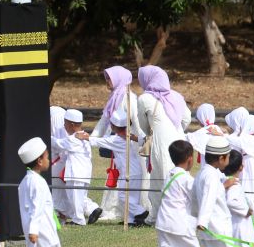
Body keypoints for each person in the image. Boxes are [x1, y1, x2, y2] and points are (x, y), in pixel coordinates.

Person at [137, 65, 191, 225]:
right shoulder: (176, 96)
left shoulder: (144, 98)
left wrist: (153, 131)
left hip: (161, 141)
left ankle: (160, 216)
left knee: (160, 177)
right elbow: (187, 119)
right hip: (180, 138)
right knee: (180, 175)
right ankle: (180, 213)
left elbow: (143, 124)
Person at [91, 66, 145, 222]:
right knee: (116, 174)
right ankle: (117, 210)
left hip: (128, 144)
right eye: (106, 78)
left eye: (110, 78)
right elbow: (104, 121)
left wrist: (140, 139)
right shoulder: (114, 97)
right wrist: (93, 136)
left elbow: (136, 121)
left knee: (125, 177)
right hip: (116, 141)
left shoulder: (130, 98)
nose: (107, 82)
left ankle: (124, 210)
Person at [191, 137, 239, 247]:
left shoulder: (202, 173)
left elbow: (194, 198)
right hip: (215, 225)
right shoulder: (211, 176)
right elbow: (208, 199)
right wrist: (202, 220)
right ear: (221, 158)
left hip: (205, 226)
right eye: (227, 156)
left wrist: (196, 217)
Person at [153, 140, 202, 247]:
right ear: (190, 158)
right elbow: (198, 197)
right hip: (179, 222)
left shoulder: (171, 174)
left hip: (163, 221)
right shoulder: (186, 179)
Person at [81, 110, 148, 225]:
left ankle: (141, 212)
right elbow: (142, 139)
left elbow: (98, 142)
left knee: (123, 196)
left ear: (113, 126)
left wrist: (86, 137)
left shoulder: (116, 140)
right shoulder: (129, 136)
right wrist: (134, 137)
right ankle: (132, 220)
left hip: (129, 172)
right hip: (136, 170)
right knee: (133, 197)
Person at [52, 109, 102, 226]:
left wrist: (46, 136)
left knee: (74, 198)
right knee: (78, 198)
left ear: (72, 124)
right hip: (84, 174)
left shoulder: (73, 139)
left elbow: (58, 144)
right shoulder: (84, 136)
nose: (64, 126)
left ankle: (78, 220)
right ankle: (81, 216)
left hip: (75, 174)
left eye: (65, 123)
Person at [225, 109, 254, 219]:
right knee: (252, 189)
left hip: (251, 166)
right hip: (248, 165)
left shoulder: (250, 139)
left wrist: (222, 135)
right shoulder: (245, 137)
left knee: (250, 188)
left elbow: (235, 141)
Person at [49, 106, 68, 218]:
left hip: (60, 156)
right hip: (58, 155)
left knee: (57, 181)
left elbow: (60, 143)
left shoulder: (56, 115)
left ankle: (58, 210)